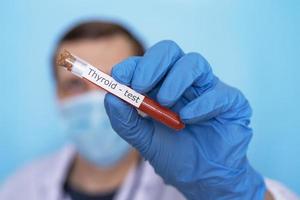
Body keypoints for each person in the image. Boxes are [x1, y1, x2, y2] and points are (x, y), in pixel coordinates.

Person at [0, 21, 298, 200]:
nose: (95, 98)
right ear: (57, 95)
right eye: (76, 86)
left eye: (111, 80)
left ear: (143, 83)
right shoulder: (18, 188)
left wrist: (237, 192)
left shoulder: (188, 181)